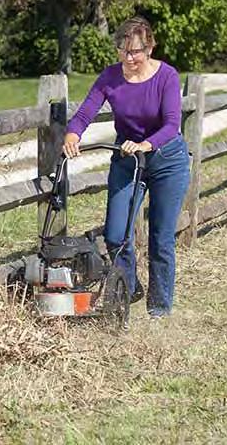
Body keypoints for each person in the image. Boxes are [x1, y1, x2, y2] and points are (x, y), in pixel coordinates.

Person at [63, 16, 190, 318]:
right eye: (123, 50)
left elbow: (172, 124)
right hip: (127, 159)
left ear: (150, 48)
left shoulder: (167, 76)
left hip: (166, 161)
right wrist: (72, 133)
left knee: (160, 238)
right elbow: (84, 114)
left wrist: (146, 144)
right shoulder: (110, 77)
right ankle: (128, 287)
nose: (130, 58)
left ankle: (159, 308)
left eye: (136, 51)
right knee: (116, 234)